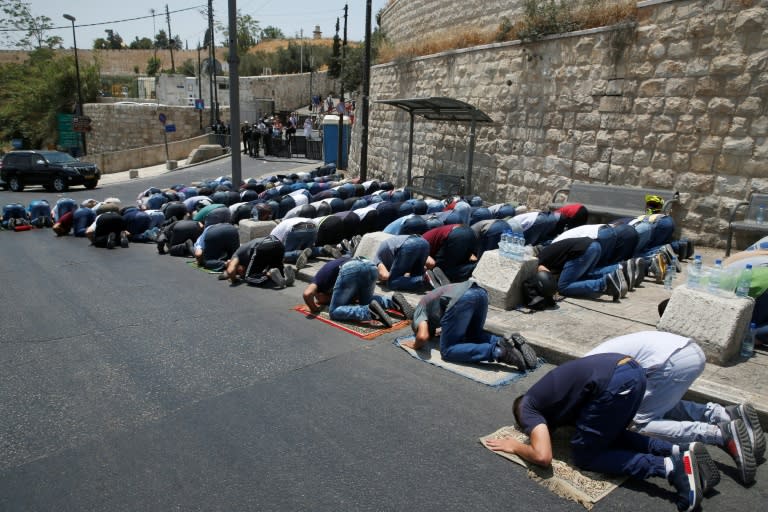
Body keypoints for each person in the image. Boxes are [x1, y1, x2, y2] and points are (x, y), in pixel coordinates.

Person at [485, 353, 720, 512]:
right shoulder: (552, 398)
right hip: (633, 372)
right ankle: (678, 449)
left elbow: (543, 457)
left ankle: (671, 468)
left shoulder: (528, 407)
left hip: (613, 383)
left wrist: (516, 445)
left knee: (586, 456)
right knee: (605, 433)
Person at [586, 331, 763, 485]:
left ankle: (719, 434)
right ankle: (724, 414)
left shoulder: (587, 377)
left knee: (639, 424)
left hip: (668, 363)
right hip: (689, 351)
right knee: (656, 403)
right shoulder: (587, 363)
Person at [404, 280, 537, 369]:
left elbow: (422, 336)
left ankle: (500, 352)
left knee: (448, 350)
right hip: (480, 292)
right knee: (473, 335)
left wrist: (414, 344)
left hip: (463, 299)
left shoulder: (419, 310)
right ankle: (507, 341)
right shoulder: (431, 299)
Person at [302, 256, 414, 327]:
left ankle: (369, 312)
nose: (321, 302)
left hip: (351, 268)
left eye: (318, 299)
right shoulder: (329, 280)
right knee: (365, 300)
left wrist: (314, 309)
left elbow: (307, 294)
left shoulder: (318, 280)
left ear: (319, 292)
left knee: (334, 311)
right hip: (369, 264)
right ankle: (392, 301)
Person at [535, 236, 628, 300]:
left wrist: (553, 289)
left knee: (563, 287)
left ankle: (604, 284)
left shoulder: (538, 259)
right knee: (587, 275)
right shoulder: (550, 251)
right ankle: (620, 269)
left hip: (583, 250)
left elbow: (545, 273)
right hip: (594, 245)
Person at [220, 235, 295, 288]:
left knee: (249, 277)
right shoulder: (246, 258)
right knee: (277, 270)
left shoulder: (235, 256)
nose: (240, 273)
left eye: (238, 271)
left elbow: (230, 271)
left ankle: (269, 275)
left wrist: (234, 280)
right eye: (238, 274)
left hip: (262, 247)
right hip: (278, 243)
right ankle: (286, 276)